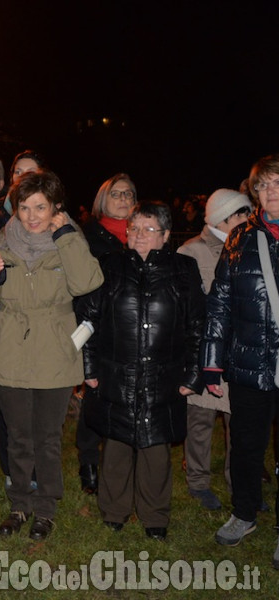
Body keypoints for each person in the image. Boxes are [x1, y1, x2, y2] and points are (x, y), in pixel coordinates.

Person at [0, 170, 103, 540]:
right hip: (11, 349)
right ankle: (19, 505)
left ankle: (45, 508)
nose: (31, 215)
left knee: (47, 437)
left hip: (54, 351)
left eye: (40, 207)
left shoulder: (69, 240)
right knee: (17, 436)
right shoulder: (0, 243)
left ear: (56, 209)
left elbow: (87, 283)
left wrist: (65, 236)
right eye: (24, 207)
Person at [78, 201, 205, 541]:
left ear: (165, 235)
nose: (140, 236)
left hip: (164, 377)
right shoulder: (109, 266)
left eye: (149, 229)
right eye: (134, 229)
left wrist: (192, 376)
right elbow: (88, 319)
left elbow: (198, 326)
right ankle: (114, 511)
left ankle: (155, 516)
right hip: (115, 373)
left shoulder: (184, 270)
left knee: (155, 447)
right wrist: (88, 367)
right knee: (117, 444)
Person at [203, 154, 279, 567]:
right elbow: (220, 305)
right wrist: (212, 362)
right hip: (250, 363)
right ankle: (244, 513)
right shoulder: (240, 239)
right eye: (263, 186)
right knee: (246, 447)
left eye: (277, 183)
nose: (271, 193)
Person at [178, 189, 251, 511]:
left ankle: (240, 483)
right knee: (200, 420)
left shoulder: (250, 245)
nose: (248, 218)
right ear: (225, 218)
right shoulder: (191, 251)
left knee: (241, 423)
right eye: (242, 213)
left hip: (240, 351)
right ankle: (198, 482)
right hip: (205, 350)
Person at [76, 173, 137, 494]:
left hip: (133, 330)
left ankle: (121, 458)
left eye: (128, 194)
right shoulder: (88, 236)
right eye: (116, 194)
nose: (123, 199)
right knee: (95, 395)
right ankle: (88, 459)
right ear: (103, 199)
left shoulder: (143, 233)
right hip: (99, 327)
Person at [2, 150, 45, 215]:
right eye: (18, 172)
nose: (22, 177)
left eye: (30, 173)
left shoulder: (52, 209)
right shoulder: (1, 210)